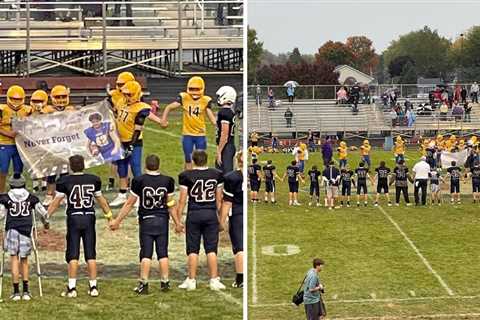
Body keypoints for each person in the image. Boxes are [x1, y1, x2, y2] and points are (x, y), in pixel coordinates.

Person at [109, 155, 184, 294]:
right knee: (163, 252)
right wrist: (177, 222)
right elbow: (171, 204)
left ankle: (144, 283)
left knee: (146, 253)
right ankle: (165, 282)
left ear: (146, 166)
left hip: (146, 220)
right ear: (158, 165)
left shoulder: (139, 180)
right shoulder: (168, 181)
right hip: (162, 220)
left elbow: (130, 203)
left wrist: (117, 220)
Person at [47, 155, 113, 298]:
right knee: (90, 252)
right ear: (84, 165)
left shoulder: (64, 181)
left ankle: (72, 287)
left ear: (70, 166)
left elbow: (56, 201)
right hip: (89, 216)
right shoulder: (93, 180)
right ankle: (93, 286)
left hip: (74, 217)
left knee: (73, 252)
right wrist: (109, 216)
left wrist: (46, 216)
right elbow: (100, 200)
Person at [177, 150, 226, 291]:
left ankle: (192, 280)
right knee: (211, 249)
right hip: (210, 213)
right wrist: (221, 219)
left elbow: (182, 200)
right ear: (207, 160)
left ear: (193, 160)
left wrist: (178, 220)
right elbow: (219, 200)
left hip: (194, 213)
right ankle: (214, 280)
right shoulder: (216, 174)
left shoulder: (186, 175)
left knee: (193, 249)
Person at [0, 176, 50, 301]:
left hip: (11, 230)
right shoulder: (31, 198)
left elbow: (0, 214)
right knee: (24, 260)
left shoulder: (5, 198)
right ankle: (26, 291)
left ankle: (16, 292)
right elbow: (43, 213)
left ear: (11, 185)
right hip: (26, 231)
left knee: (14, 259)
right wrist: (46, 223)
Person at [109, 81, 153, 207]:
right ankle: (122, 194)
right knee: (121, 167)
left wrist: (131, 145)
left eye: (129, 94)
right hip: (121, 140)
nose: (127, 97)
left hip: (134, 141)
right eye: (126, 94)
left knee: (135, 167)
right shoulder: (122, 102)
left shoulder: (141, 108)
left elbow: (137, 130)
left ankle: (139, 195)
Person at [161, 76, 216, 170]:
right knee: (188, 159)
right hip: (187, 133)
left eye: (196, 89)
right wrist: (163, 119)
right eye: (192, 89)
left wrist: (217, 124)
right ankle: (188, 179)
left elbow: (210, 115)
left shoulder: (205, 100)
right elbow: (169, 107)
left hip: (200, 133)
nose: (194, 92)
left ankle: (197, 178)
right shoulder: (184, 97)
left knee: (200, 159)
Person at [0, 85, 33, 193]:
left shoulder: (28, 110)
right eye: (13, 99)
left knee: (18, 172)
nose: (15, 102)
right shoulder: (2, 109)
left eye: (18, 99)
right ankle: (1, 193)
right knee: (2, 170)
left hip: (19, 145)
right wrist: (10, 134)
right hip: (4, 143)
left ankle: (18, 192)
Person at [219, 152, 244, 288]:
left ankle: (241, 278)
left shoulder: (231, 177)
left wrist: (221, 221)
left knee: (239, 247)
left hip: (238, 213)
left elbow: (227, 202)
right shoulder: (254, 174)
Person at [215, 86, 237, 174]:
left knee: (225, 176)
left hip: (226, 147)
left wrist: (219, 151)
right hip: (229, 145)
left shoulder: (224, 112)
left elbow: (224, 134)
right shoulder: (229, 112)